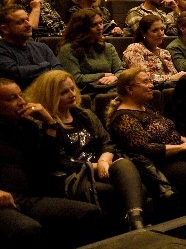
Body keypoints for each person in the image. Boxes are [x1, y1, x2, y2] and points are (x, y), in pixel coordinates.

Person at [24, 71, 148, 230]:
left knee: (130, 174)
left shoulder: (84, 115)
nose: (72, 94)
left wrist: (104, 160)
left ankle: (135, 222)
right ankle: (133, 229)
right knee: (118, 192)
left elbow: (107, 142)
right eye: (64, 92)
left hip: (101, 168)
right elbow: (58, 161)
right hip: (76, 176)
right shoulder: (43, 124)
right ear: (50, 96)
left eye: (72, 88)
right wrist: (96, 166)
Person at [0, 77, 107, 247]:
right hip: (3, 203)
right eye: (12, 98)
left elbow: (48, 162)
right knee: (28, 230)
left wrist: (49, 123)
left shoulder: (26, 127)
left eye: (21, 95)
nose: (21, 102)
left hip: (29, 199)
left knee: (90, 214)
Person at [105, 68, 186, 211]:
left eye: (150, 81)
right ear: (129, 89)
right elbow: (145, 149)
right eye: (146, 82)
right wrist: (183, 146)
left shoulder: (145, 108)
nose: (151, 85)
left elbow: (170, 132)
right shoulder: (123, 117)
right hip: (161, 164)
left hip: (179, 156)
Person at [57, 9, 124, 92]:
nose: (100, 28)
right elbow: (75, 78)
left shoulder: (108, 47)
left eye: (101, 23)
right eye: (94, 25)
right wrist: (102, 75)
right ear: (82, 28)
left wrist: (115, 77)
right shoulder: (68, 50)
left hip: (110, 89)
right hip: (85, 92)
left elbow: (120, 71)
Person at [0, 5, 63, 87]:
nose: (29, 25)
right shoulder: (2, 50)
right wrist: (46, 66)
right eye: (20, 22)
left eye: (27, 19)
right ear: (5, 29)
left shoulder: (42, 47)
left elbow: (58, 70)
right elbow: (16, 73)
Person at [123, 15, 185, 86]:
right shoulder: (135, 49)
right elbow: (142, 77)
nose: (160, 33)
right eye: (155, 30)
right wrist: (170, 78)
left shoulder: (165, 52)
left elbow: (174, 75)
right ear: (144, 33)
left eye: (162, 29)